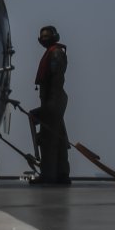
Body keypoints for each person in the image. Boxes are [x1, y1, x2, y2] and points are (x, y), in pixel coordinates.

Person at [34, 25, 70, 185]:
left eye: (47, 36)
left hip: (53, 100)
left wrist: (50, 106)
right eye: (42, 37)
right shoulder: (53, 52)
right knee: (59, 138)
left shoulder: (55, 53)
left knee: (48, 139)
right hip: (52, 100)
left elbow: (57, 80)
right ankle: (62, 174)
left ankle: (48, 176)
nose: (44, 39)